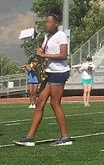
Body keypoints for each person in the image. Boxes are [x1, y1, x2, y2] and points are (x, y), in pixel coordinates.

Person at [15, 12, 73, 146]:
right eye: (45, 22)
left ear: (56, 23)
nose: (46, 24)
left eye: (48, 22)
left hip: (59, 72)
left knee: (55, 103)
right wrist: (36, 58)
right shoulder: (47, 36)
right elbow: (42, 52)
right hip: (49, 72)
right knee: (40, 103)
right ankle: (30, 137)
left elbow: (64, 55)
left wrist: (44, 54)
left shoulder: (61, 35)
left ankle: (65, 137)